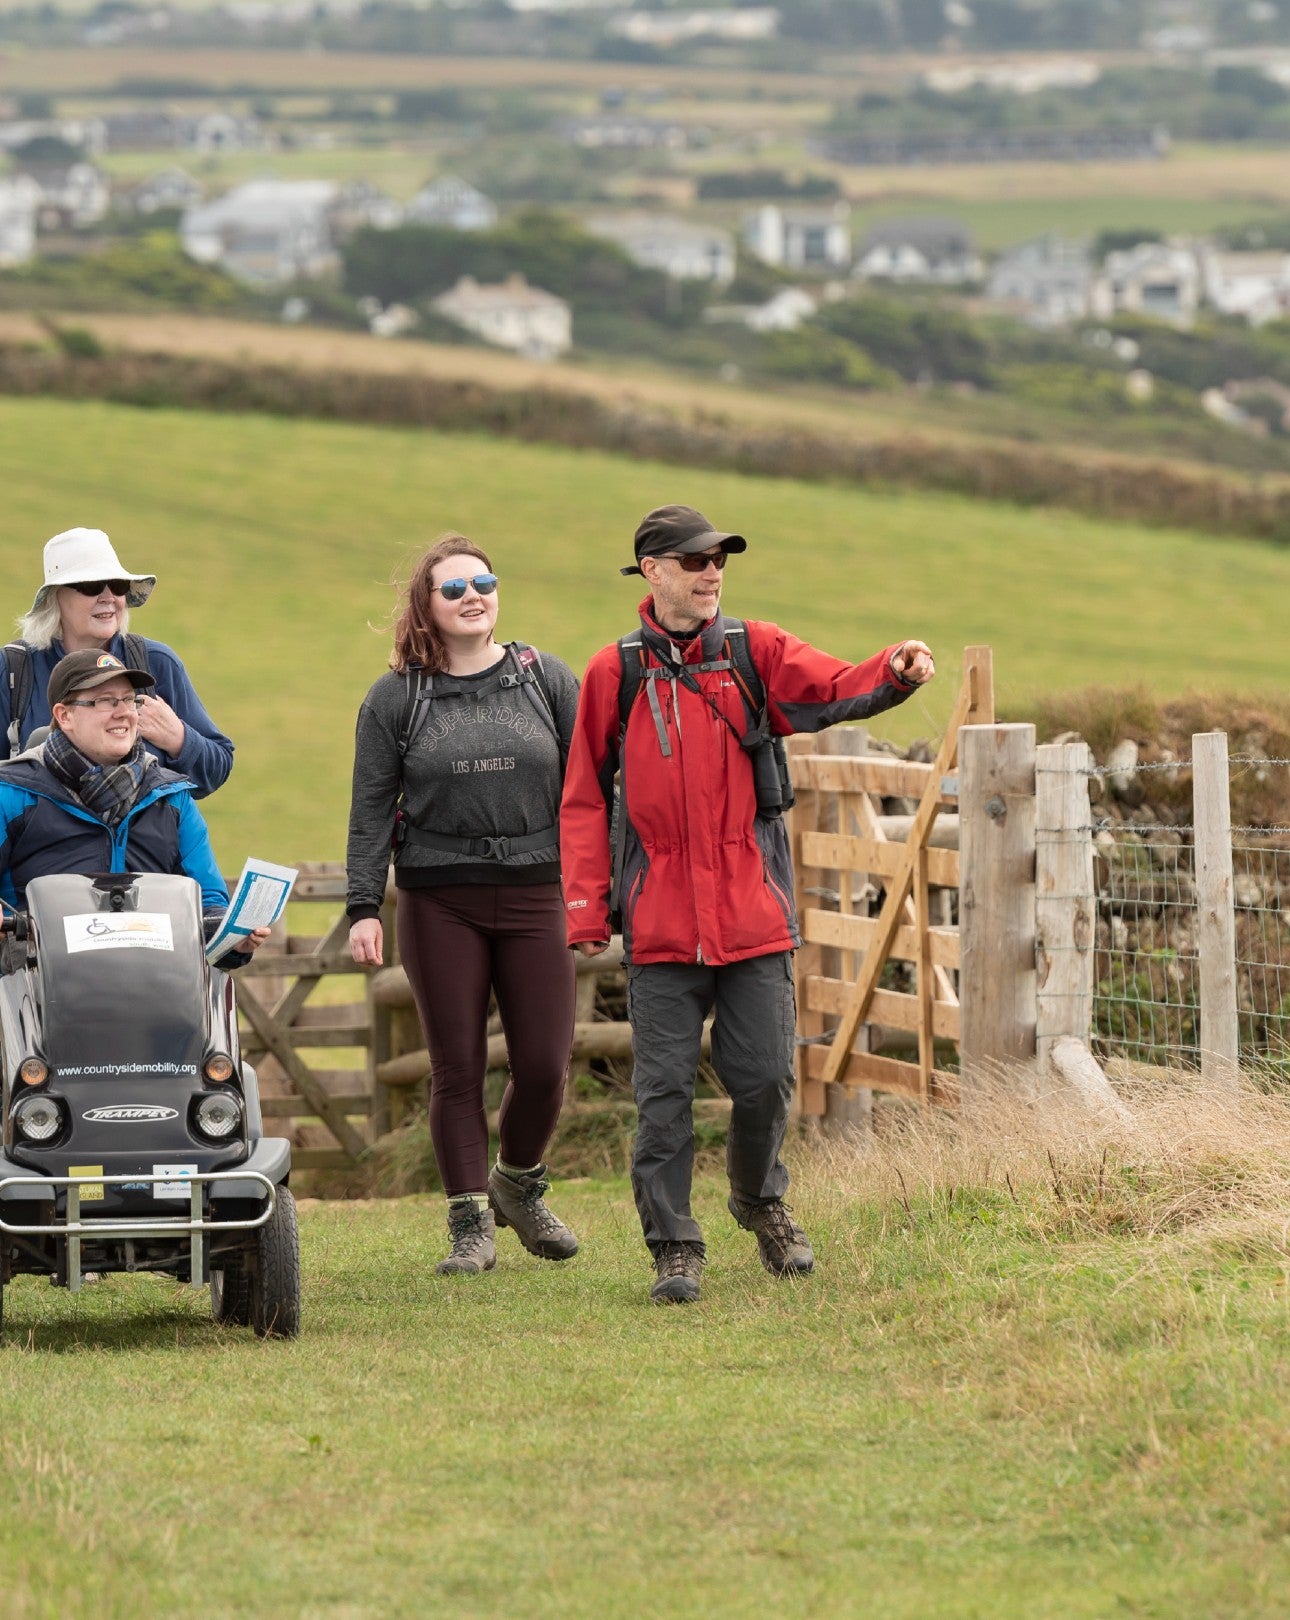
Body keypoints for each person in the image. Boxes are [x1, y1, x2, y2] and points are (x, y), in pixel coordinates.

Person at [558, 504, 934, 1305]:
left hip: (753, 919)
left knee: (763, 1082)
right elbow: (584, 797)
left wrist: (893, 670)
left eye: (719, 559)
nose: (711, 572)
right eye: (694, 561)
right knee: (662, 1099)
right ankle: (674, 1248)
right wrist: (587, 907)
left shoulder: (755, 651)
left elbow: (834, 688)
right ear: (652, 571)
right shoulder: (613, 672)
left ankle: (760, 1202)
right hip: (660, 927)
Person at [345, 537, 584, 1276]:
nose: (474, 595)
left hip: (537, 893)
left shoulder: (546, 679)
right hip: (439, 899)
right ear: (427, 606)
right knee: (457, 1065)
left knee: (545, 1063)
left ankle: (517, 1184)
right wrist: (363, 906)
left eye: (484, 581)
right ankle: (468, 1225)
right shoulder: (395, 699)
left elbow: (589, 793)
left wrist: (596, 891)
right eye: (454, 589)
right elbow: (370, 809)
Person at [0, 648, 237, 1033]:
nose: (123, 712)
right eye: (104, 701)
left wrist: (235, 936)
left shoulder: (171, 798)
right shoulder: (13, 793)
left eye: (128, 700)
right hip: (34, 982)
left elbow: (210, 902)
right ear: (64, 715)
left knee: (221, 1056)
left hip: (156, 985)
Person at [0, 527, 236, 832]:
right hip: (37, 873)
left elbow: (216, 768)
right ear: (55, 598)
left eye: (117, 584)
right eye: (91, 585)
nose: (108, 597)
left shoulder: (157, 664)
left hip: (147, 871)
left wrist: (178, 738)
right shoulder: (9, 672)